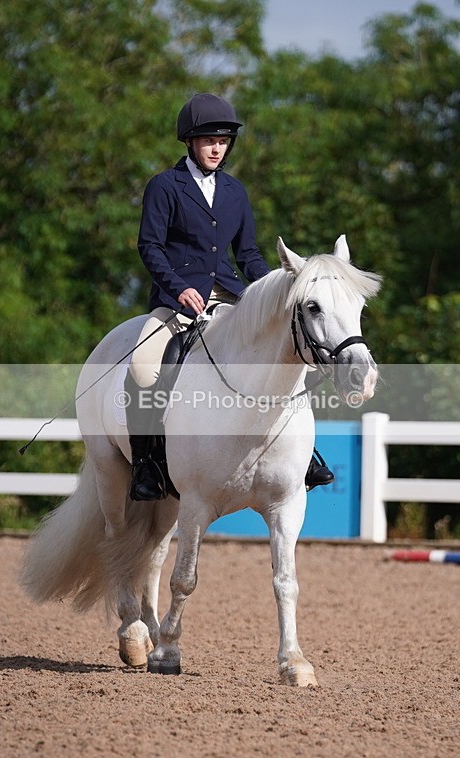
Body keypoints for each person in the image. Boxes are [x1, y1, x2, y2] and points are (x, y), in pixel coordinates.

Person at [127, 92, 333, 501]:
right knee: (144, 367)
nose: (217, 147)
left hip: (231, 296)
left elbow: (249, 254)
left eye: (223, 140)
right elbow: (150, 246)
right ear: (190, 142)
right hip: (178, 299)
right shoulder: (165, 186)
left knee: (289, 353)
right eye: (208, 140)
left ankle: (305, 454)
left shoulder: (235, 192)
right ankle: (146, 464)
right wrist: (178, 288)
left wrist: (279, 288)